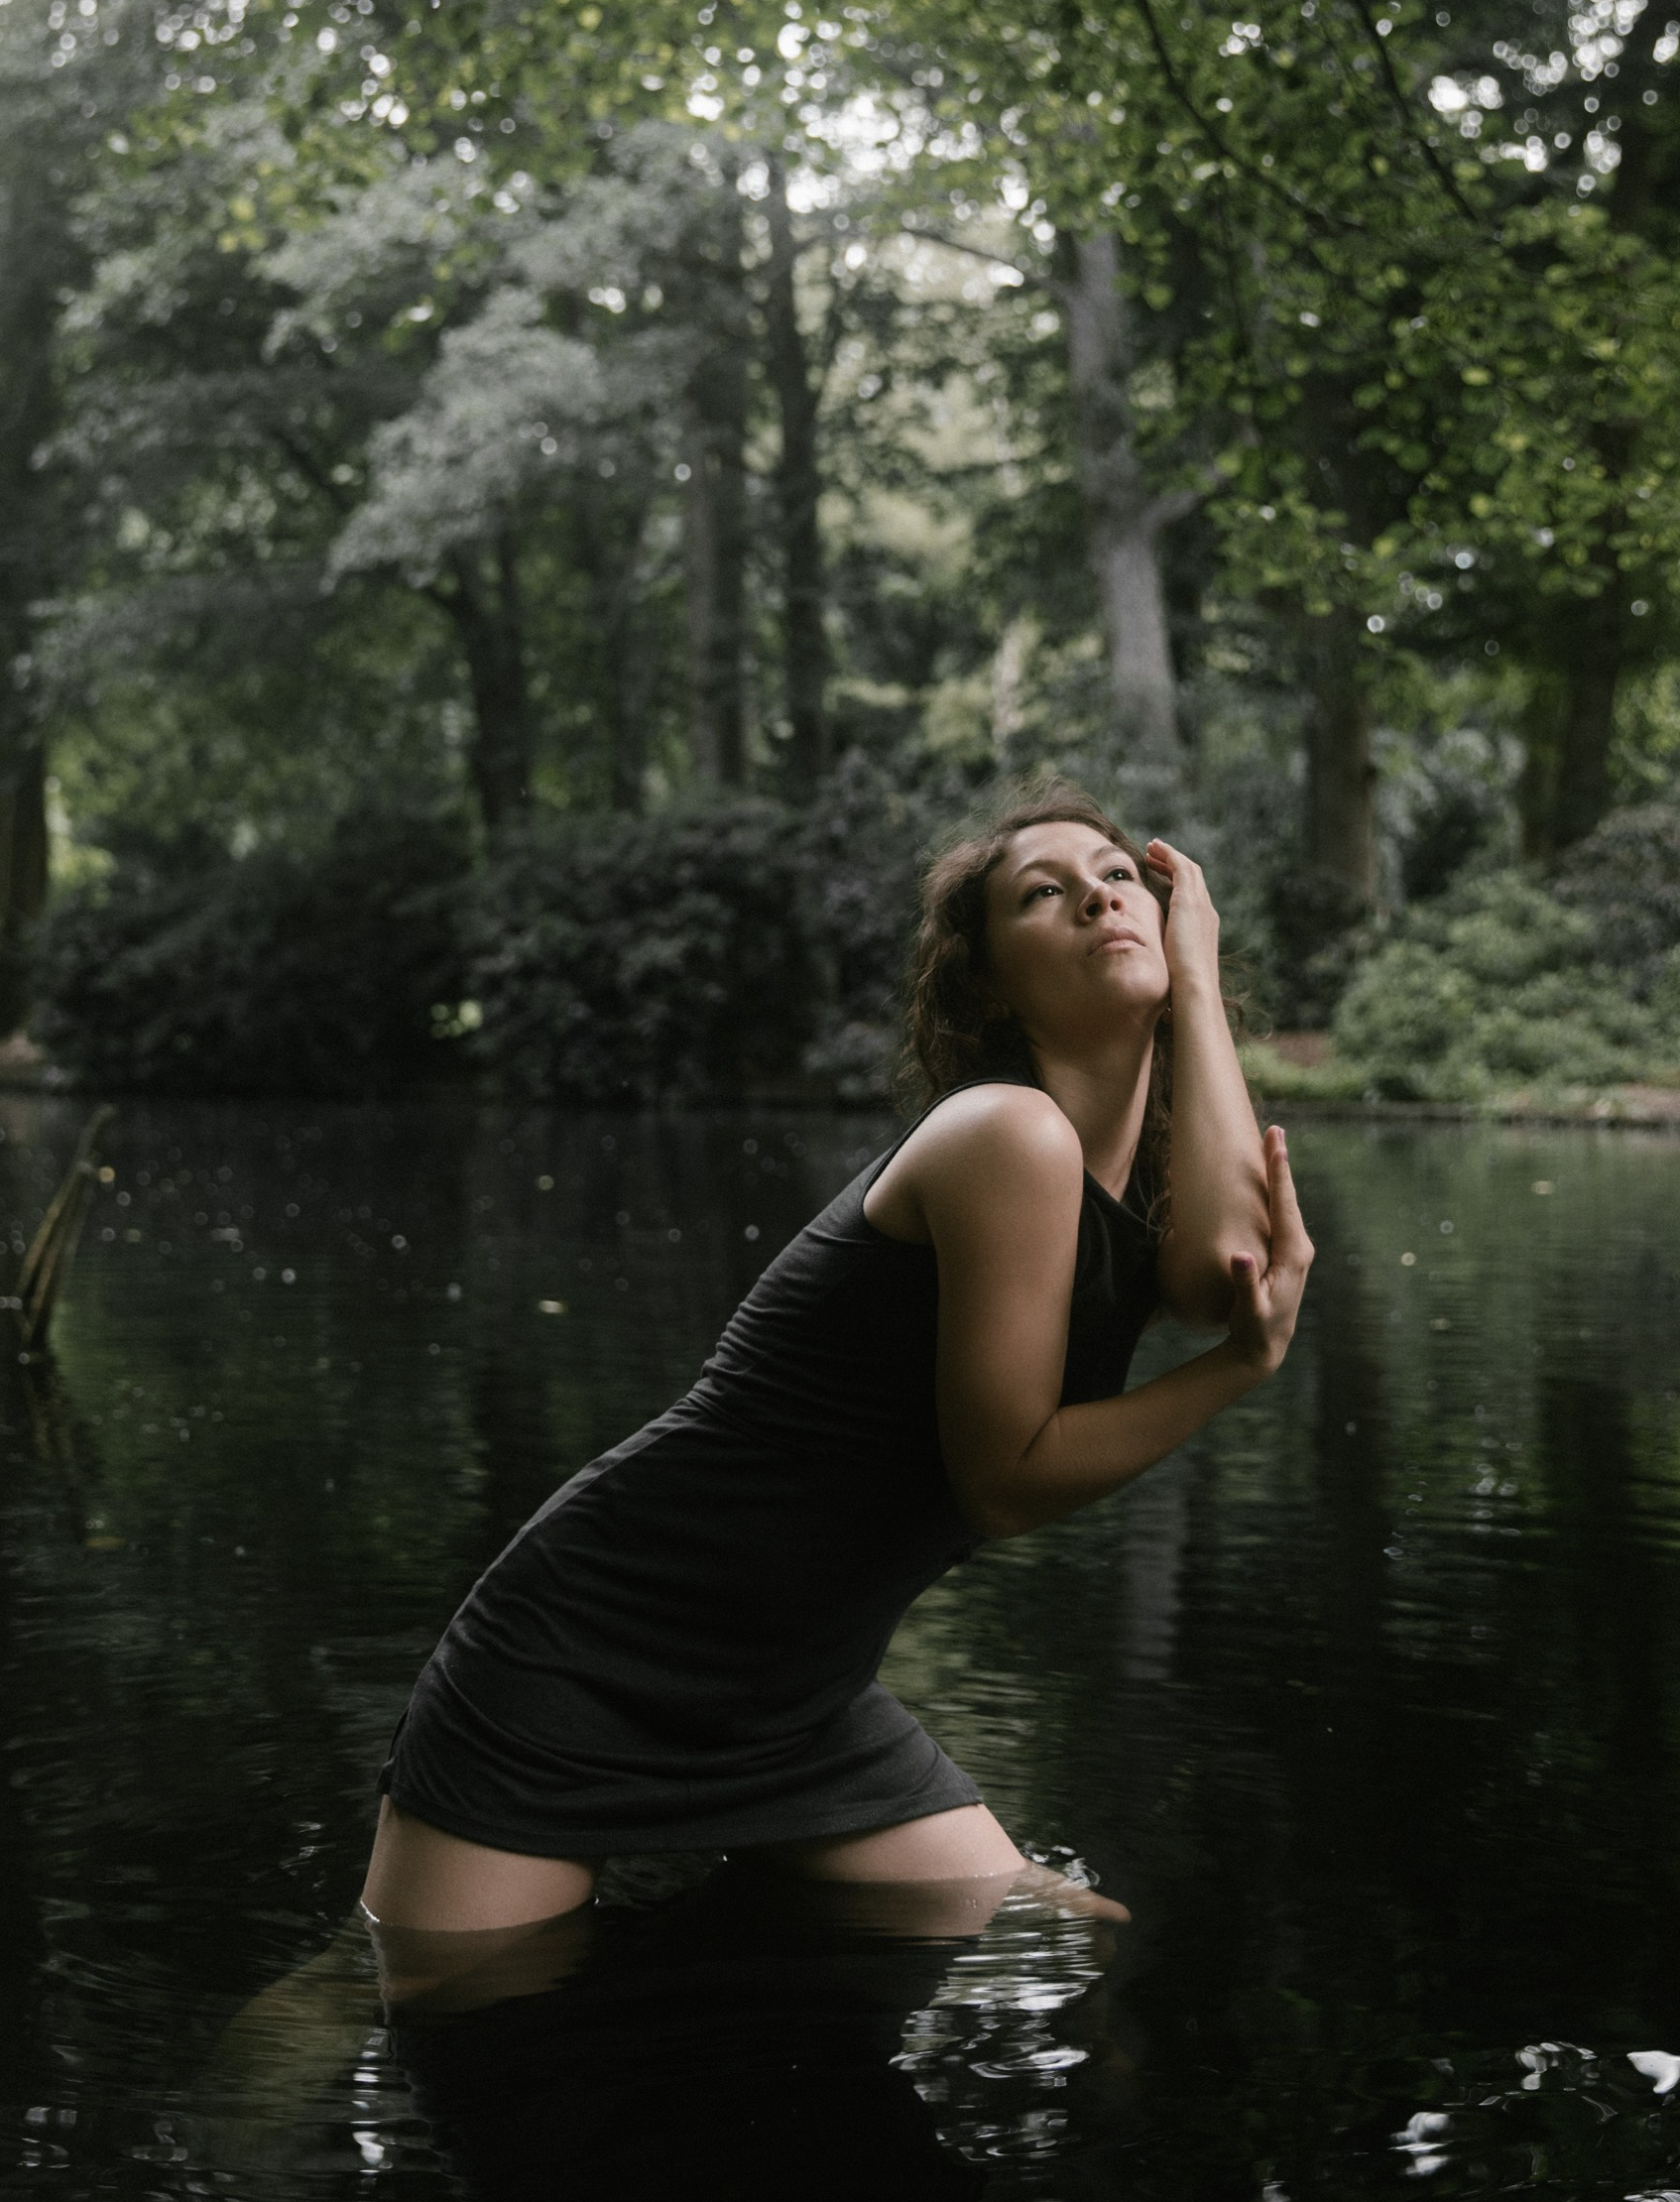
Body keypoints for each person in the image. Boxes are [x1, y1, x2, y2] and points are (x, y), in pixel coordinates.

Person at [359, 780, 1313, 1962]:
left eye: (1119, 878)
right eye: (1043, 892)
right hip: (594, 1645)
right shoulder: (1008, 1134)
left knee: (1055, 1935)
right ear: (986, 983)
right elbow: (1005, 1480)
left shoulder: (1126, 1168)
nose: (1096, 899)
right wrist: (1234, 1372)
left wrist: (1196, 979)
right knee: (427, 1992)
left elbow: (1225, 1277)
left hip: (792, 1690)